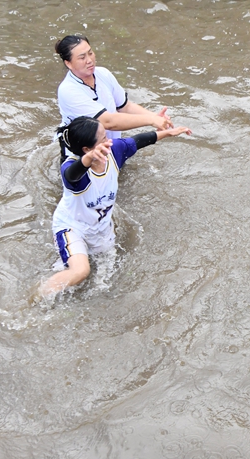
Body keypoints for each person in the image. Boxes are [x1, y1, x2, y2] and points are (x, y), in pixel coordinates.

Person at [40, 116, 191, 297]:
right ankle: (36, 298)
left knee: (108, 277)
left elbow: (138, 141)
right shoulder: (72, 168)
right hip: (72, 227)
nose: (109, 141)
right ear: (87, 149)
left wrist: (167, 133)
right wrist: (88, 159)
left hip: (101, 228)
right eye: (104, 138)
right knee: (81, 272)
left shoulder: (114, 152)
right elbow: (72, 175)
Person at [54, 34, 175, 162]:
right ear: (68, 63)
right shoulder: (68, 90)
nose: (89, 60)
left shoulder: (103, 74)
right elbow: (108, 122)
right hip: (82, 158)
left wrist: (156, 117)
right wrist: (150, 120)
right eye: (82, 57)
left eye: (90, 53)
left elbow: (125, 106)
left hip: (110, 146)